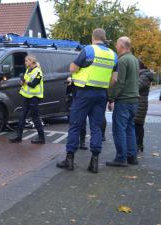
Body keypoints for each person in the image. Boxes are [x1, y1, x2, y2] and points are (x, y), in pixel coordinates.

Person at [56, 28, 117, 173]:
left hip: (84, 93)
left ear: (93, 37)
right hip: (101, 94)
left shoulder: (88, 50)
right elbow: (115, 79)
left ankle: (69, 160)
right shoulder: (113, 55)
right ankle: (94, 162)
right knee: (96, 126)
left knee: (75, 125)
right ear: (104, 38)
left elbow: (72, 68)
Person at [106, 36, 140, 167]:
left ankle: (121, 158)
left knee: (119, 129)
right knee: (130, 129)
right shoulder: (134, 59)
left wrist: (111, 98)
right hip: (134, 101)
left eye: (117, 44)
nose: (116, 46)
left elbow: (119, 82)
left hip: (124, 101)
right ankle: (132, 157)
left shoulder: (122, 61)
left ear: (121, 46)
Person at [8, 55, 45, 144]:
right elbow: (25, 82)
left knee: (35, 117)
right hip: (27, 97)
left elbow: (33, 84)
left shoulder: (38, 71)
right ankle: (18, 136)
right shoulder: (28, 70)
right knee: (22, 116)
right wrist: (22, 82)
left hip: (35, 97)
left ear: (32, 61)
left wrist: (24, 81)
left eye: (26, 61)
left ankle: (41, 137)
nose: (25, 62)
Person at [65, 75, 107, 150]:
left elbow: (74, 70)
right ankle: (94, 156)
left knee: (76, 124)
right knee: (95, 125)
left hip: (82, 96)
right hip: (97, 94)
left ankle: (71, 155)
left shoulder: (82, 64)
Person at [134, 60, 154, 152]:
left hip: (140, 103)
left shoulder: (144, 76)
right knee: (137, 124)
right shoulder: (142, 75)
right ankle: (138, 144)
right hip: (139, 102)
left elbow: (136, 87)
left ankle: (139, 144)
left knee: (138, 124)